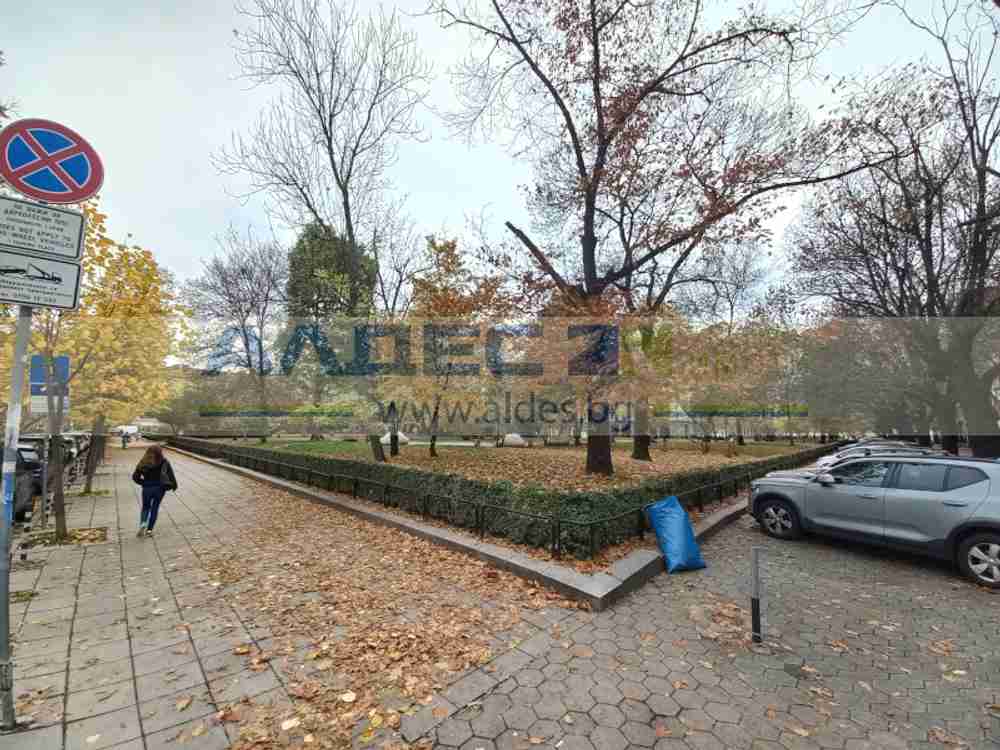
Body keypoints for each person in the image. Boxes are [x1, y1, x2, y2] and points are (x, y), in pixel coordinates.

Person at [131, 445, 178, 537]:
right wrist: (173, 485)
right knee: (155, 507)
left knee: (145, 507)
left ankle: (143, 524)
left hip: (147, 489)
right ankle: (149, 530)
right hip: (159, 488)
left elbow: (135, 477)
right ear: (160, 453)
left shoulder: (143, 462)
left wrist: (143, 483)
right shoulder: (164, 461)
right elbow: (170, 474)